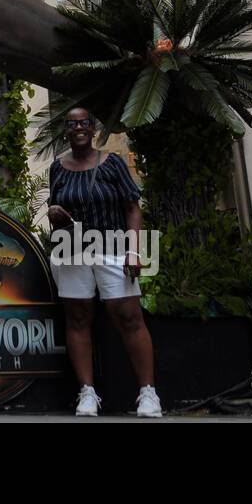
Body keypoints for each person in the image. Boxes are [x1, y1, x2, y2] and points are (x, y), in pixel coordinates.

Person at [47, 108, 162, 418]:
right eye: (72, 124)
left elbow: (132, 208)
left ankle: (148, 393)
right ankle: (87, 394)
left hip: (113, 245)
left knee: (129, 316)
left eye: (84, 122)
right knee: (77, 318)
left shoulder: (112, 163)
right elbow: (54, 208)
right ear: (66, 131)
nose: (79, 128)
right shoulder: (57, 168)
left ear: (94, 127)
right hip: (71, 247)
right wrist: (55, 213)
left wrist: (134, 250)